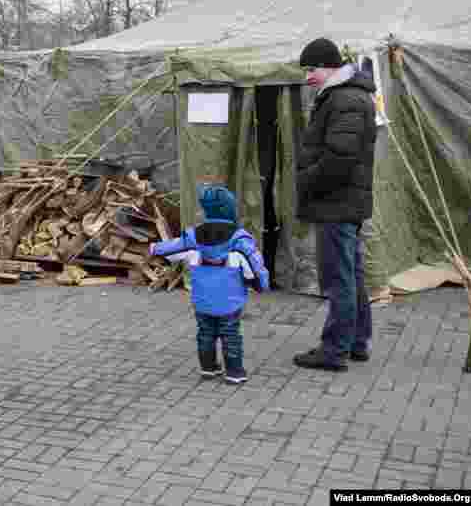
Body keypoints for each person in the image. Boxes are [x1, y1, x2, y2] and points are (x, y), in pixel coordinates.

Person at [293, 37, 377, 371]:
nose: (308, 76)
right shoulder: (346, 95)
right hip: (344, 202)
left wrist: (307, 180)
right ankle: (357, 342)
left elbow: (340, 158)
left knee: (338, 278)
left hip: (336, 203)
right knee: (351, 275)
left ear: (329, 67)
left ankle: (333, 350)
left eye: (311, 69)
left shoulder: (346, 99)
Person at [149, 185, 269, 384]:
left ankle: (208, 369)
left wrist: (154, 248)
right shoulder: (239, 239)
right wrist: (260, 284)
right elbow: (255, 267)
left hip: (202, 301)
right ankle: (234, 373)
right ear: (229, 208)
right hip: (230, 302)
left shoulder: (193, 237)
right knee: (230, 334)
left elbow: (168, 250)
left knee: (205, 333)